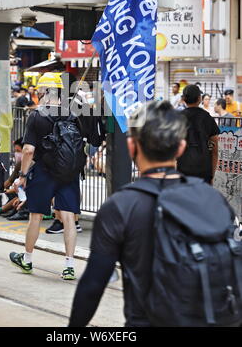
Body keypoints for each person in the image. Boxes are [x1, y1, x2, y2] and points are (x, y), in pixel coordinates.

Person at [68, 100, 189, 327]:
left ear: (132, 146)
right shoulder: (215, 202)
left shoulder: (121, 206)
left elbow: (94, 284)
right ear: (181, 147)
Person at [9, 72, 84, 280]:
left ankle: (28, 259)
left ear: (42, 92)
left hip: (44, 171)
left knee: (36, 215)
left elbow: (28, 150)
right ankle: (69, 266)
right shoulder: (73, 113)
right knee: (68, 217)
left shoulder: (38, 115)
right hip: (69, 172)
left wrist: (22, 175)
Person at [177, 84, 219, 184]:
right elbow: (215, 149)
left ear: (184, 99)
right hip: (203, 169)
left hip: (183, 168)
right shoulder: (206, 117)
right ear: (199, 98)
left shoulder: (177, 118)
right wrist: (212, 175)